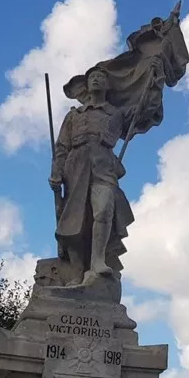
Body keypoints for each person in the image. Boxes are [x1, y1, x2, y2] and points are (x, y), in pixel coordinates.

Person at [49, 66, 136, 284]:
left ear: (108, 85)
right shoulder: (74, 115)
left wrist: (154, 75)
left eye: (101, 77)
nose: (96, 80)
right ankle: (77, 271)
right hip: (76, 166)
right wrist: (56, 173)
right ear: (86, 85)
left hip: (103, 164)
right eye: (92, 77)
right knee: (74, 221)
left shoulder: (116, 114)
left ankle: (98, 260)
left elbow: (143, 110)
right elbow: (62, 146)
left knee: (105, 207)